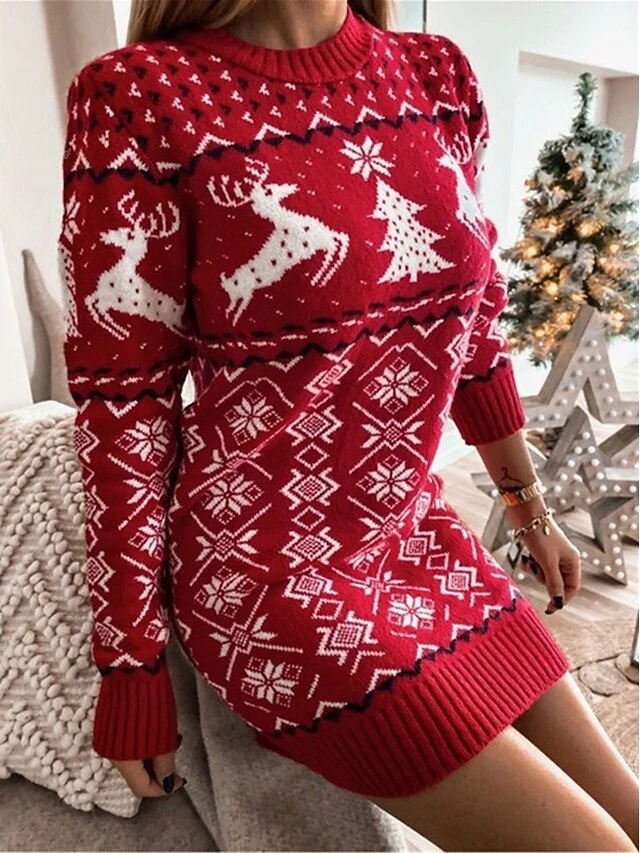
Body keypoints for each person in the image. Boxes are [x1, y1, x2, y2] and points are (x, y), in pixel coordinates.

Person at [57, 0, 639, 848]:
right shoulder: (142, 97)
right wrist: (129, 665)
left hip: (415, 536)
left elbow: (474, 332)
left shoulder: (437, 76)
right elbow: (123, 410)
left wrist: (528, 506)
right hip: (265, 577)